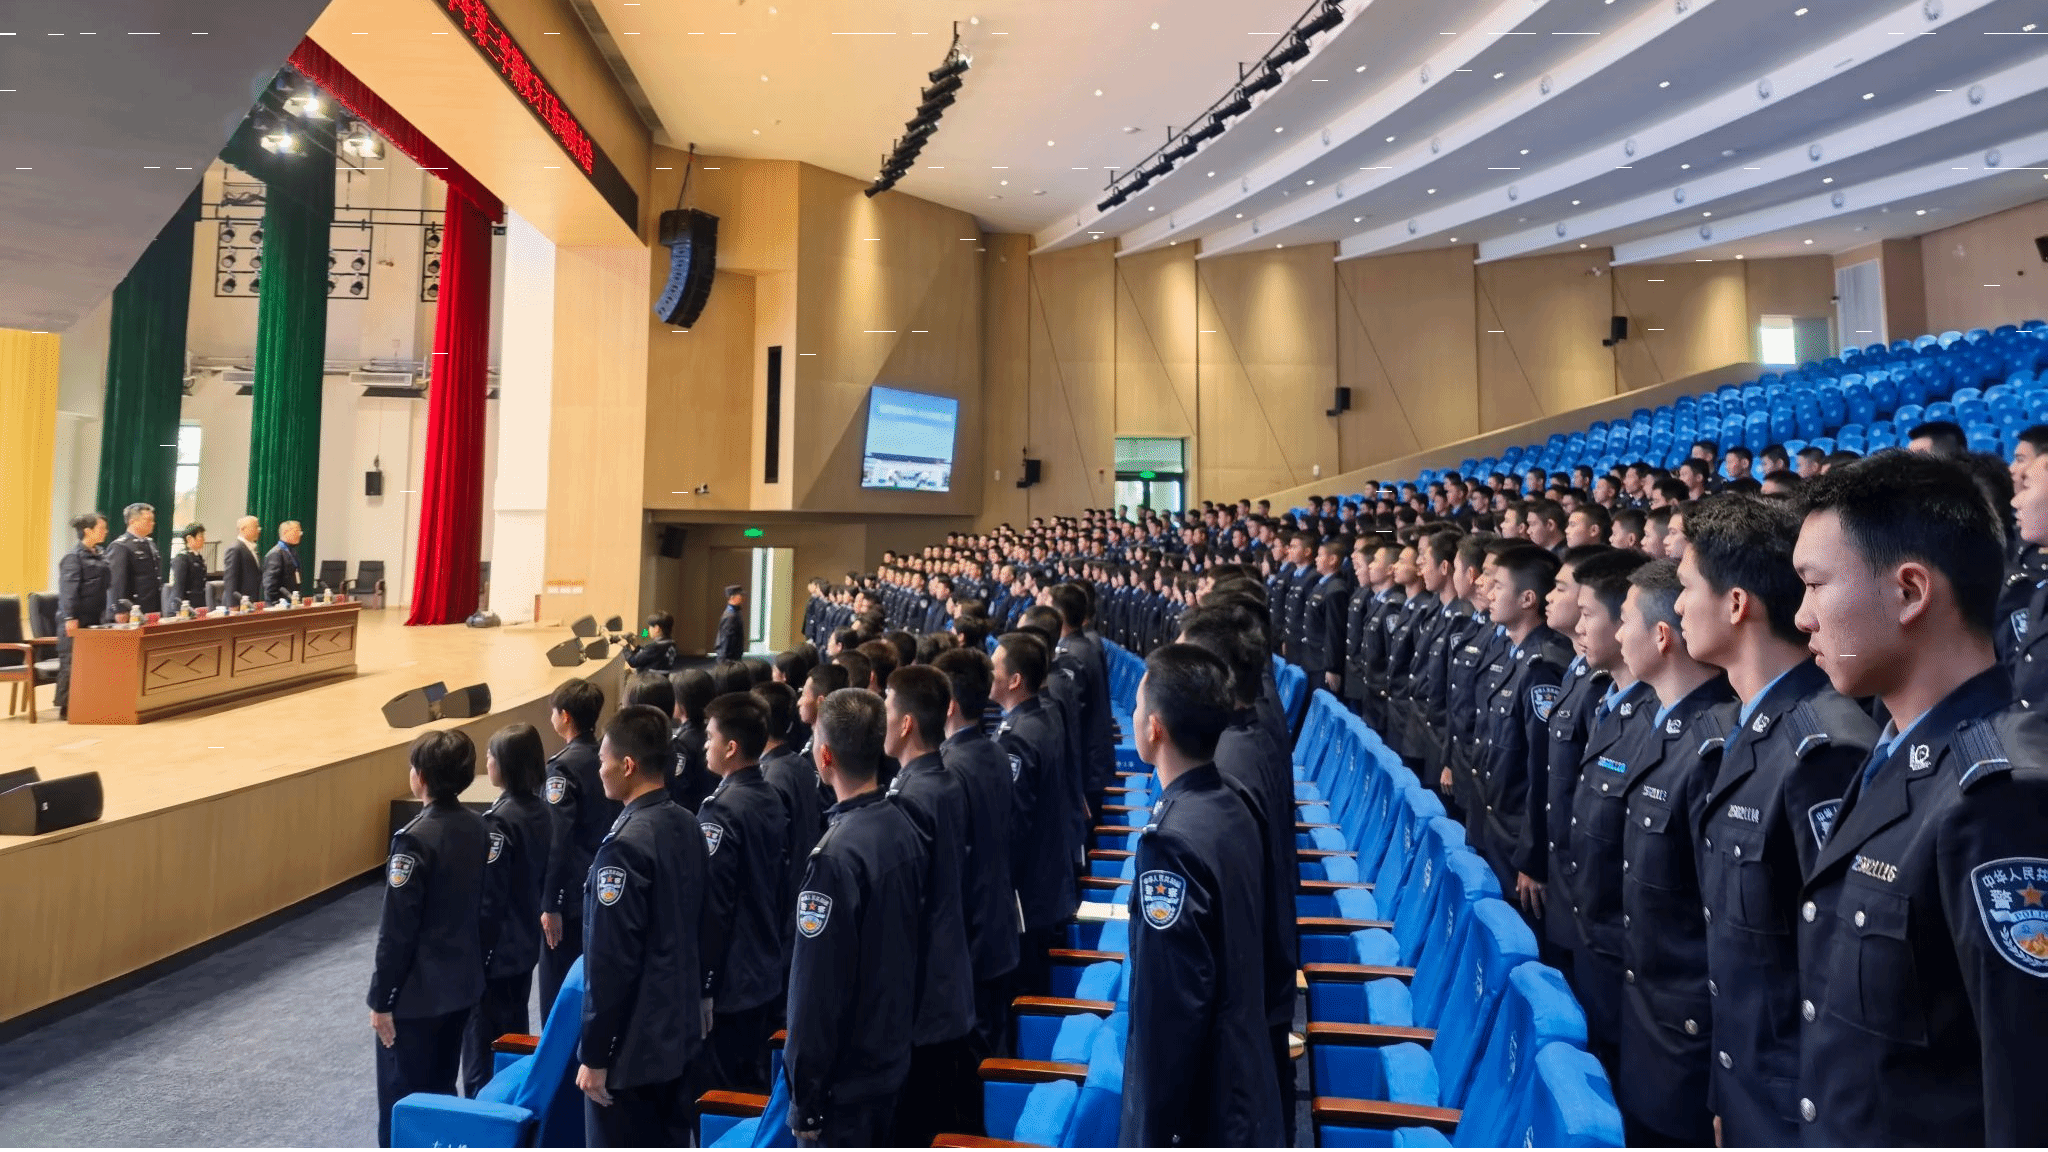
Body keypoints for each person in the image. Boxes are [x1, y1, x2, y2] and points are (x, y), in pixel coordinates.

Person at [1790, 452, 2048, 1145]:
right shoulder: (1895, 754)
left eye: (1814, 585)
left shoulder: (1998, 800)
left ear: (1909, 592)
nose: (1802, 617)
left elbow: (2029, 1094)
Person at [1672, 494, 1875, 1147]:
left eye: (1686, 587)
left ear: (1736, 604)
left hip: (1797, 1114)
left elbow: (1837, 977)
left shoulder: (1823, 750)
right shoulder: (1749, 726)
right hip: (1750, 1090)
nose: (1676, 607)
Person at [1120, 644, 1281, 1148]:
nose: (1133, 714)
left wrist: (1152, 1132)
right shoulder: (1233, 798)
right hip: (1247, 1083)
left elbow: (1171, 1014)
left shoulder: (1169, 844)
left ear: (1155, 728)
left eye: (1138, 706)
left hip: (1203, 1114)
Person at [1610, 561, 1736, 1146]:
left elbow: (1720, 922)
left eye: (1625, 620)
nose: (1617, 633)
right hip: (1647, 1011)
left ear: (1660, 637)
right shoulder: (1655, 719)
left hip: (1685, 1032)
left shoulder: (1711, 745)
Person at [785, 688, 927, 1147]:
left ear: (825, 756)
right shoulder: (903, 824)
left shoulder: (834, 858)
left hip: (844, 1088)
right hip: (891, 1060)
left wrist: (805, 1097)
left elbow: (815, 992)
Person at [575, 704, 708, 1147]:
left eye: (603, 759)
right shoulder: (688, 822)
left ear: (627, 765)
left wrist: (595, 1054)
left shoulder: (623, 847)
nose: (599, 769)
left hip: (631, 1053)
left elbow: (610, 963)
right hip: (678, 1036)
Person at [369, 731, 488, 1147]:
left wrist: (381, 999)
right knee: (441, 1094)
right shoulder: (478, 826)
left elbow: (396, 932)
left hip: (416, 996)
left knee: (403, 1105)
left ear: (419, 777)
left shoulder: (413, 839)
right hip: (461, 986)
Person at [880, 666, 977, 1145]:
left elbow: (906, 910)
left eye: (886, 707)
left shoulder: (911, 797)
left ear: (905, 724)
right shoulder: (944, 779)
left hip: (923, 994)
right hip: (948, 979)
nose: (881, 717)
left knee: (916, 1126)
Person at [692, 693, 789, 1095]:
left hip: (731, 980)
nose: (705, 746)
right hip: (765, 966)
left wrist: (705, 985)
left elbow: (714, 907)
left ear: (730, 748)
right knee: (754, 1087)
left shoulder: (720, 810)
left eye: (710, 737)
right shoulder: (769, 794)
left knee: (721, 1099)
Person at [931, 647, 1018, 1062]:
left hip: (971, 937)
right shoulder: (994, 750)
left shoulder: (948, 769)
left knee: (972, 1066)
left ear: (947, 705)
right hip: (998, 926)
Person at [1474, 544, 1572, 899]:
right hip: (1495, 823)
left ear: (1528, 598)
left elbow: (1542, 768)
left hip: (1518, 838)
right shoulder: (1513, 653)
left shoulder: (1541, 666)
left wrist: (1532, 855)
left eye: (1498, 586)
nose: (1488, 592)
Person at [463, 723, 553, 1097]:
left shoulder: (498, 821)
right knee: (514, 1039)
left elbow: (490, 898)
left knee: (481, 1053)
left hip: (495, 953)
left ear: (506, 764)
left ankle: (483, 1117)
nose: (486, 762)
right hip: (524, 943)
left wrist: (476, 956)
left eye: (491, 756)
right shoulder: (542, 810)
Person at [990, 631, 1078, 997]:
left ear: (1014, 680)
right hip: (1049, 880)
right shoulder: (1041, 715)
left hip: (1028, 894)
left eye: (995, 667)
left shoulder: (1017, 737)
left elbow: (1014, 825)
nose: (989, 673)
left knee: (1024, 996)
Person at [540, 678, 616, 1013]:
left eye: (553, 711)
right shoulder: (605, 756)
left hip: (569, 895)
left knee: (558, 994)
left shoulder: (562, 767)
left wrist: (551, 903)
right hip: (601, 883)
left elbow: (558, 840)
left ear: (565, 716)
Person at [54, 512, 110, 720]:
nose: (105, 532)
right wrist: (70, 617)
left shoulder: (101, 554)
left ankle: (88, 703)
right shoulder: (73, 557)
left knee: (92, 663)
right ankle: (66, 707)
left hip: (96, 618)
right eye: (101, 528)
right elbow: (68, 590)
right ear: (88, 531)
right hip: (76, 620)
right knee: (71, 663)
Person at [666, 668, 718, 811]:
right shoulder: (714, 731)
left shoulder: (681, 743)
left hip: (693, 810)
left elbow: (680, 788)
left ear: (681, 705)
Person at [103, 502, 161, 621]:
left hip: (150, 606)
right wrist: (119, 609)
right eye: (148, 520)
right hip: (131, 609)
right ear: (132, 521)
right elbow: (116, 581)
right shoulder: (121, 546)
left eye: (153, 520)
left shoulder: (150, 544)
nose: (152, 523)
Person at [221, 514, 263, 609]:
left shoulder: (251, 548)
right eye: (256, 526)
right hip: (238, 604)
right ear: (243, 529)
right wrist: (233, 605)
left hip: (250, 602)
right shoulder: (235, 549)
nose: (259, 529)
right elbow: (230, 580)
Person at [167, 523, 207, 614]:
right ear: (189, 539)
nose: (204, 539)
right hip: (185, 605)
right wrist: (177, 609)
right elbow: (179, 586)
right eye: (200, 536)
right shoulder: (182, 558)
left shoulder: (197, 557)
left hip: (198, 603)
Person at [262, 519, 304, 603]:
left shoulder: (292, 552)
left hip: (292, 600)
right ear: (285, 532)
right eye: (297, 531)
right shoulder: (275, 554)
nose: (300, 534)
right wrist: (275, 604)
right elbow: (270, 584)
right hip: (280, 604)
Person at [716, 584, 745, 661]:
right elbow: (726, 639)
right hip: (729, 659)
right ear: (732, 598)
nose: (743, 598)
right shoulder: (730, 616)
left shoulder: (735, 613)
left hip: (734, 657)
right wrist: (725, 660)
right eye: (740, 595)